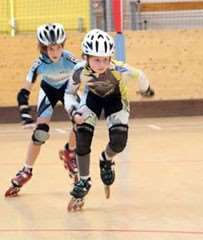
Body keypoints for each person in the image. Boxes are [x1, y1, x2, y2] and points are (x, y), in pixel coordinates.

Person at [64, 29, 155, 211]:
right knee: (82, 135)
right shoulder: (78, 70)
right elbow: (69, 93)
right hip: (93, 99)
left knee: (119, 142)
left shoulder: (119, 69)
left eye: (105, 59)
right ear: (85, 57)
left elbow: (140, 75)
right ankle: (84, 180)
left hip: (116, 100)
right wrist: (73, 112)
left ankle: (106, 158)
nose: (101, 64)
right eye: (97, 59)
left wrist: (146, 90)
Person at [5, 23, 79, 197]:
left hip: (68, 89)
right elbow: (23, 93)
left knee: (80, 122)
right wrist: (25, 113)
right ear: (43, 47)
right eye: (49, 48)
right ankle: (26, 170)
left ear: (63, 45)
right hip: (48, 90)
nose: (54, 52)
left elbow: (88, 73)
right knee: (40, 133)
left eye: (58, 47)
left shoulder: (70, 59)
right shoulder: (38, 64)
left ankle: (69, 151)